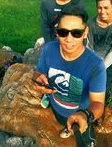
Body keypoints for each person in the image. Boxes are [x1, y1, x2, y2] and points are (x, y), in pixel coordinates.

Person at [33, 9, 106, 146]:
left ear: (85, 33)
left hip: (80, 114)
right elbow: (38, 73)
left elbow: (98, 104)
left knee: (81, 133)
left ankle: (70, 129)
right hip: (56, 108)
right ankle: (66, 128)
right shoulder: (49, 50)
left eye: (76, 33)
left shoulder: (96, 65)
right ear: (57, 32)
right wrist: (38, 80)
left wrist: (85, 115)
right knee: (62, 121)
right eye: (63, 32)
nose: (69, 39)